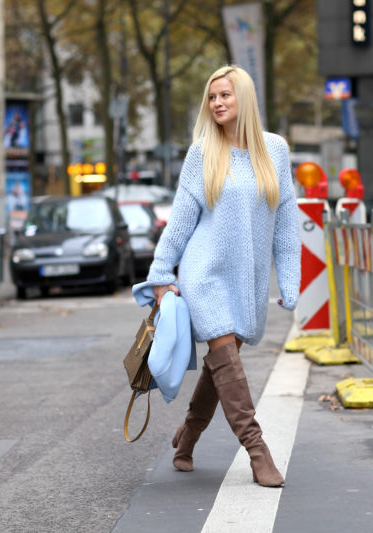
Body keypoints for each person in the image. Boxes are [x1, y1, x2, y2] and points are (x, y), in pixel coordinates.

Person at [145, 66, 301, 487]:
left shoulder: (276, 151)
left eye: (225, 95)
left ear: (244, 98)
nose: (216, 103)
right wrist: (161, 273)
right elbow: (180, 219)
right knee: (225, 355)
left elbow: (287, 221)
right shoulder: (202, 152)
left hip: (246, 279)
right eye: (211, 96)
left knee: (222, 363)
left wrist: (289, 280)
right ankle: (258, 451)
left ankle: (187, 437)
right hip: (204, 273)